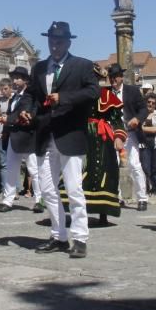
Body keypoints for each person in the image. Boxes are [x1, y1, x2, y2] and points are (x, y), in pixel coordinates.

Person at [18, 21, 99, 258]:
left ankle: (80, 238)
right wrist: (27, 111)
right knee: (48, 189)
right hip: (45, 135)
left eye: (59, 41)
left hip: (70, 135)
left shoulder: (82, 65)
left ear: (68, 42)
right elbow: (31, 95)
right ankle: (58, 235)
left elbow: (93, 92)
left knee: (74, 189)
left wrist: (63, 97)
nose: (55, 45)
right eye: (51, 40)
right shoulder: (40, 68)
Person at [82, 64, 126, 225]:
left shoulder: (106, 95)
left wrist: (119, 136)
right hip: (81, 136)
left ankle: (103, 213)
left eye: (95, 78)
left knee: (104, 173)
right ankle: (77, 211)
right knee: (79, 173)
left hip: (101, 137)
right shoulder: (79, 94)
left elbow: (117, 120)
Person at [0, 66, 41, 213]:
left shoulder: (30, 96)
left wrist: (7, 119)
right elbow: (13, 114)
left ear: (26, 80)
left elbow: (26, 113)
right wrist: (5, 130)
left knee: (34, 170)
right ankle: (8, 200)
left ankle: (39, 200)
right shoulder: (14, 98)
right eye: (13, 78)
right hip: (13, 137)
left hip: (28, 137)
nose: (14, 81)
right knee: (11, 170)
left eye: (18, 78)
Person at [108, 63, 149, 210]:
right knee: (113, 166)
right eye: (110, 77)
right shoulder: (106, 93)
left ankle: (142, 198)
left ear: (121, 77)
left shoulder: (132, 91)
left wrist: (137, 119)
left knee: (135, 165)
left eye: (115, 77)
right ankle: (116, 197)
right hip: (112, 134)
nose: (113, 79)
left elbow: (144, 109)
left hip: (129, 134)